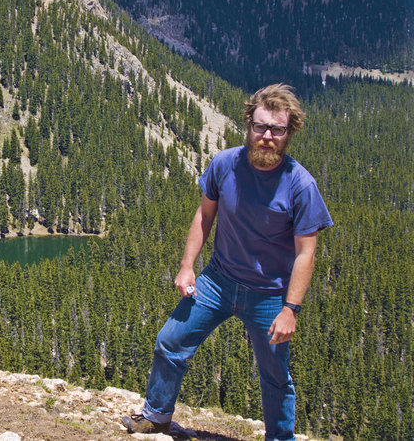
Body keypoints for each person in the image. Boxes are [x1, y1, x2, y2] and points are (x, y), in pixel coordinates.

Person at [122, 84, 333, 440]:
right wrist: (188, 266)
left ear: (288, 133)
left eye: (276, 130)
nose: (266, 136)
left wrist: (290, 309)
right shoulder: (224, 164)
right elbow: (204, 217)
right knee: (171, 341)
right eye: (260, 126)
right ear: (248, 124)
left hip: (269, 294)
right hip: (218, 280)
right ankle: (157, 417)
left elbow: (305, 253)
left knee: (275, 377)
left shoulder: (300, 185)